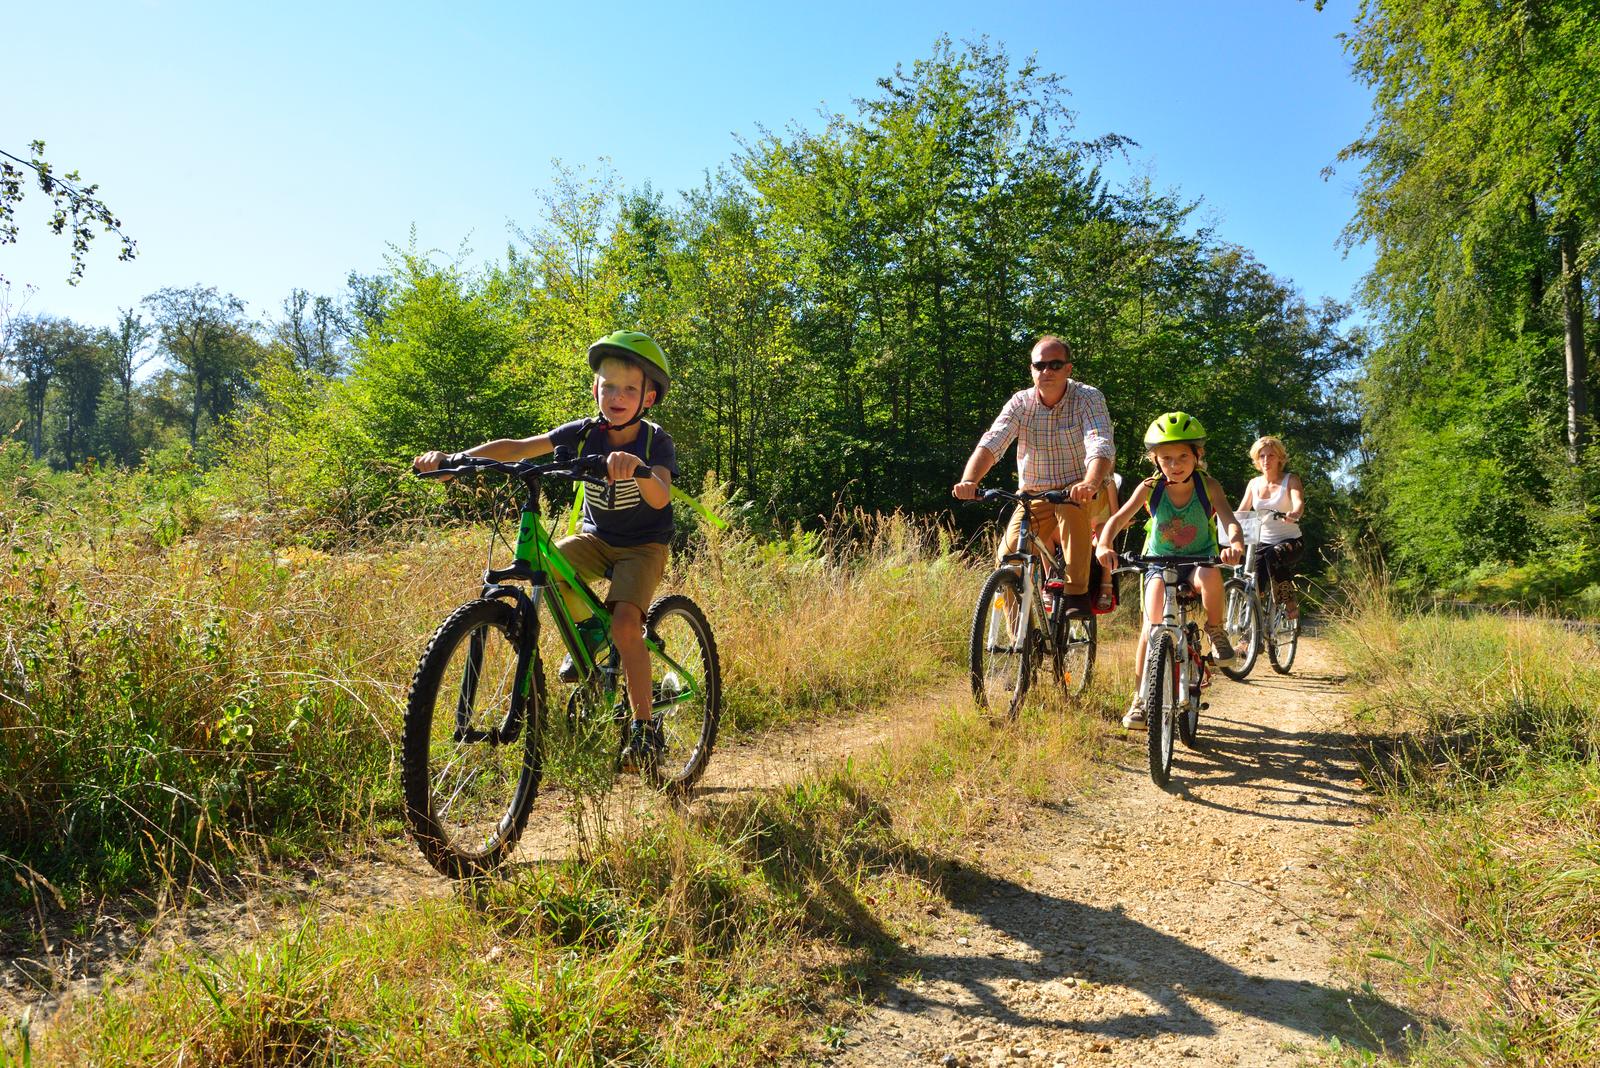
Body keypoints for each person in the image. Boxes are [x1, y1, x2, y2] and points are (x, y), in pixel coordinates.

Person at [413, 330, 678, 772]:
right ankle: (593, 637)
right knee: (543, 563)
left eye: (629, 388)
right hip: (596, 538)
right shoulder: (584, 433)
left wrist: (639, 470)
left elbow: (661, 497)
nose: (616, 395)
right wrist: (456, 460)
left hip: (643, 545)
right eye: (607, 385)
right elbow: (520, 448)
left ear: (648, 398)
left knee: (627, 624)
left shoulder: (654, 442)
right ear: (595, 389)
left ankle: (645, 729)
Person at [1093, 412, 1244, 729]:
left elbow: (1229, 519)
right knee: (1151, 627)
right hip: (1158, 562)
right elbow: (1117, 519)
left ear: (1197, 456)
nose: (1175, 464)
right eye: (1167, 458)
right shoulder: (1150, 488)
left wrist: (1235, 544)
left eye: (1183, 456)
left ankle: (1215, 630)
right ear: (1155, 460)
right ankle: (1139, 700)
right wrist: (1104, 545)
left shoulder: (1208, 485)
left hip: (1200, 558)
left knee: (1210, 575)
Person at [952, 335, 1115, 617]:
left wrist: (1089, 482)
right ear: (1031, 370)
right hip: (1033, 494)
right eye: (1040, 365)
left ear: (1068, 369)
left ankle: (1075, 595)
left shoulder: (1088, 398)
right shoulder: (1021, 403)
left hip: (1074, 489)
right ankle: (1021, 645)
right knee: (1008, 561)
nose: (1046, 371)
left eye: (1055, 364)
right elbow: (993, 442)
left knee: (1072, 505)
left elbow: (1099, 442)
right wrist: (970, 481)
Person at [1234, 435, 1306, 619]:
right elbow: (1242, 511)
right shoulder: (1253, 483)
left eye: (1271, 455)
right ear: (1257, 460)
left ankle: (1289, 602)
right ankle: (1250, 633)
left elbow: (1298, 503)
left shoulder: (1291, 480)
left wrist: (1294, 514)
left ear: (1280, 458)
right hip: (1262, 542)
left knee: (1274, 554)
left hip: (1291, 542)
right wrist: (1225, 519)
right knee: (1252, 581)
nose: (1266, 460)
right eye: (1262, 456)